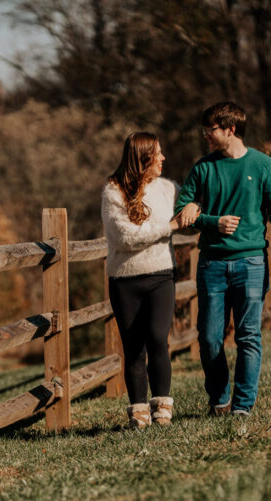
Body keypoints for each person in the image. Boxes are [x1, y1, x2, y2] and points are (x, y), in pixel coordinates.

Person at [175, 101, 271, 417]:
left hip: (251, 263)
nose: (205, 136)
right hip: (212, 264)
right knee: (210, 339)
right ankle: (220, 399)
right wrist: (212, 221)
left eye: (210, 130)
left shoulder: (263, 165)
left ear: (231, 129)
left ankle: (242, 407)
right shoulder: (203, 168)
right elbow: (181, 211)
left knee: (248, 336)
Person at [102, 131, 190, 429]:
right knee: (134, 347)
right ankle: (139, 413)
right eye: (158, 154)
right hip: (124, 279)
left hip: (161, 275)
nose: (164, 158)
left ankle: (162, 408)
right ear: (143, 158)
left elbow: (187, 222)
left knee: (157, 339)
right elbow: (126, 237)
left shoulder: (168, 189)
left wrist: (192, 213)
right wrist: (170, 226)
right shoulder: (113, 192)